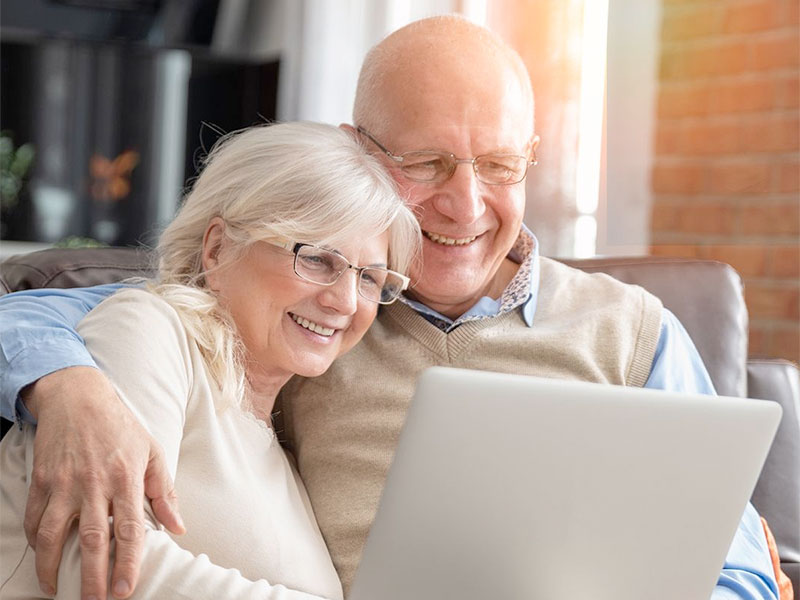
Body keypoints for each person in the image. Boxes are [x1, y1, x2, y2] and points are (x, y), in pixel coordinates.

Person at [0, 15, 781, 600]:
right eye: (426, 161)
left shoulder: (636, 332)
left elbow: (737, 564)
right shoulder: (303, 321)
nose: (466, 202)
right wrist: (65, 381)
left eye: (500, 164)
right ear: (361, 152)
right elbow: (86, 312)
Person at [0, 121, 420, 598]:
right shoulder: (147, 330)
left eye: (369, 278)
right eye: (318, 259)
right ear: (218, 247)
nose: (344, 302)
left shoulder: (278, 440)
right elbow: (103, 567)